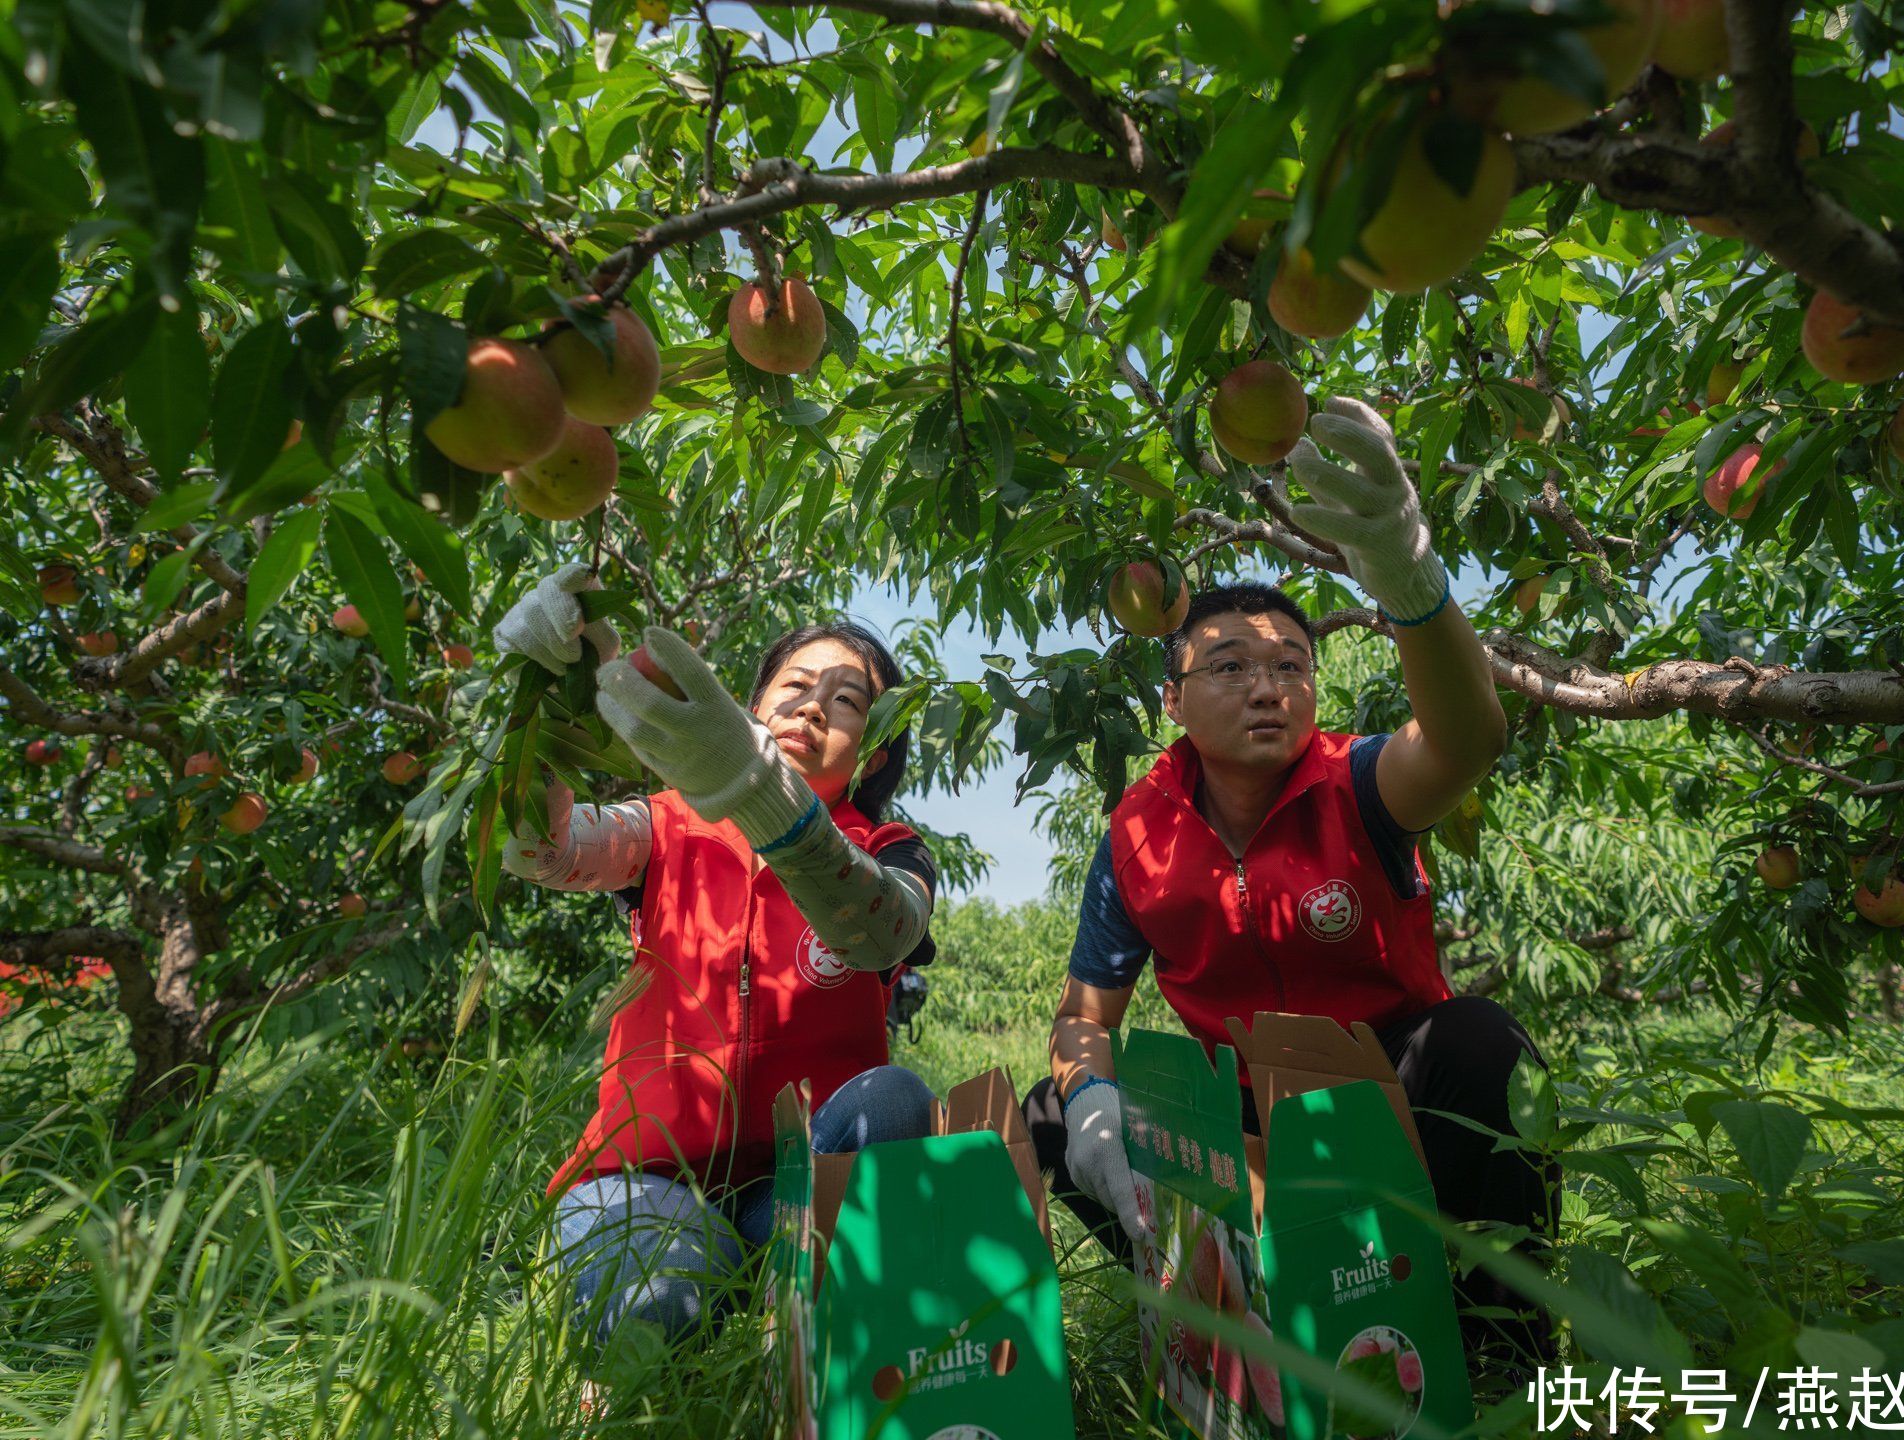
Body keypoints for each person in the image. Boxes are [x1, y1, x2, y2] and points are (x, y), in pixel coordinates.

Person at [1020, 397, 1560, 1373]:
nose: (1268, 686)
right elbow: (1084, 1016)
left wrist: (1401, 567)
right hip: (1248, 1119)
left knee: (1487, 1046)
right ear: (1172, 701)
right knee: (1051, 1119)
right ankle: (1235, 1316)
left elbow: (1469, 737)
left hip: (1392, 1092)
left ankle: (1499, 1344)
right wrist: (1091, 1094)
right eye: (1229, 666)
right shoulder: (1136, 834)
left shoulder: (1358, 781)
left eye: (1291, 665)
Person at [493, 566, 940, 1349]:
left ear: (871, 755)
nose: (813, 705)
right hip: (648, 1183)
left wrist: (764, 797)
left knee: (895, 1102)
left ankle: (800, 1333)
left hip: (798, 1183)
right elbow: (541, 851)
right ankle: (711, 1329)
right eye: (794, 686)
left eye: (847, 700)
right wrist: (535, 712)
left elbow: (885, 931)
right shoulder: (664, 827)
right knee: (653, 1304)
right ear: (749, 709)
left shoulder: (887, 851)